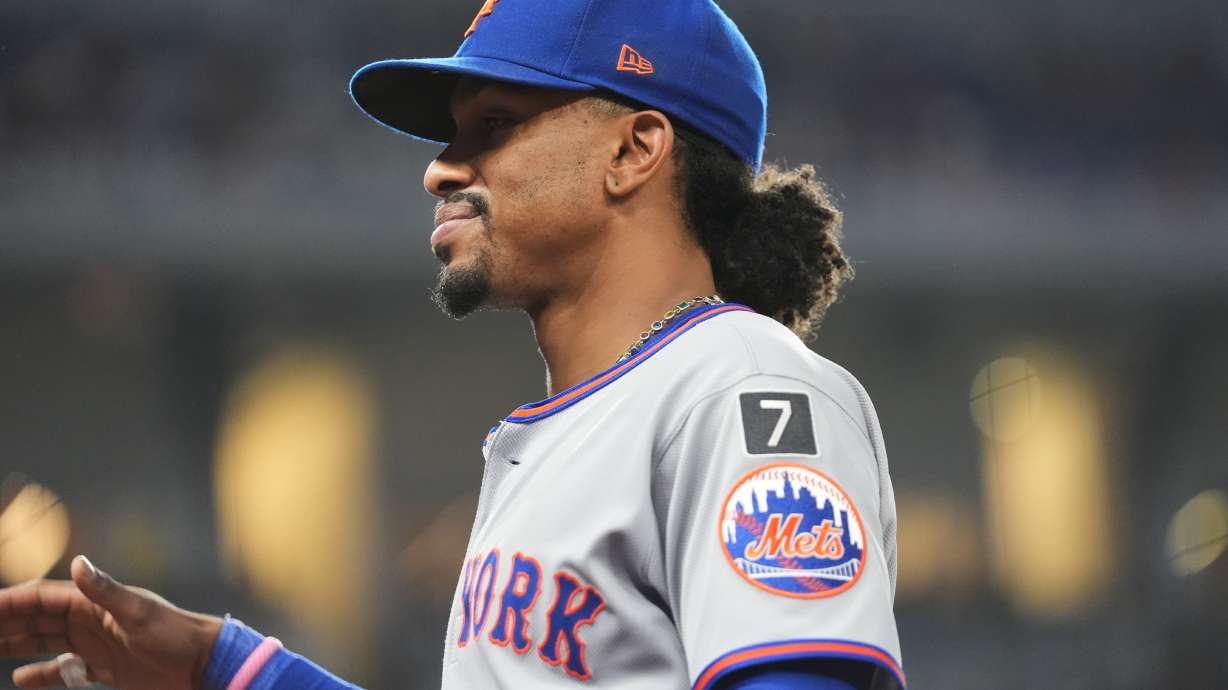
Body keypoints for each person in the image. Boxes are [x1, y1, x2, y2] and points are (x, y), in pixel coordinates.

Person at [0, 0, 905, 688]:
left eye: (495, 127)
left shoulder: (739, 389)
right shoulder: (579, 423)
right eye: (454, 135)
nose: (439, 166)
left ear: (634, 151)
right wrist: (230, 669)